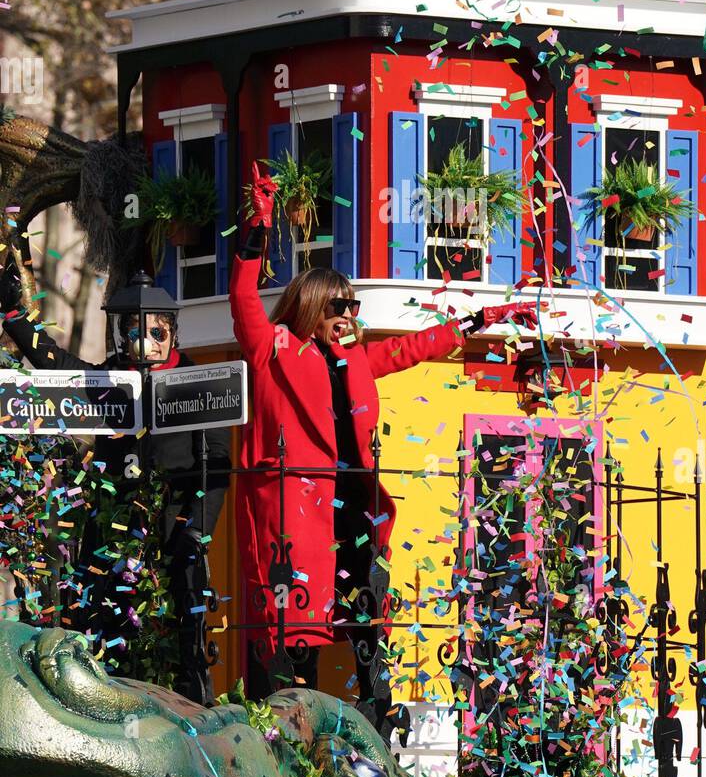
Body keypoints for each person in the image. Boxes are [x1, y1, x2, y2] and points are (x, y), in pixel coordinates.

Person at [230, 163, 538, 736]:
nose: (350, 316)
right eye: (338, 307)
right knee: (298, 625)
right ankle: (286, 728)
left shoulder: (357, 363)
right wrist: (258, 227)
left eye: (352, 307)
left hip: (354, 507)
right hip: (298, 509)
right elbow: (244, 294)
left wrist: (479, 320)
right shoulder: (272, 354)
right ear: (310, 310)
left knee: (365, 619)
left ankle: (375, 728)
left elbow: (416, 346)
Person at [0, 241, 231, 704]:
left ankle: (188, 707)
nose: (144, 341)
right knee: (100, 632)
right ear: (120, 332)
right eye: (133, 330)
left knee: (180, 639)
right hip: (111, 535)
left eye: (156, 331)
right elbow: (56, 365)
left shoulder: (199, 383)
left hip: (174, 539)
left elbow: (217, 467)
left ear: (173, 335)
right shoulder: (109, 379)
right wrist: (14, 317)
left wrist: (196, 533)